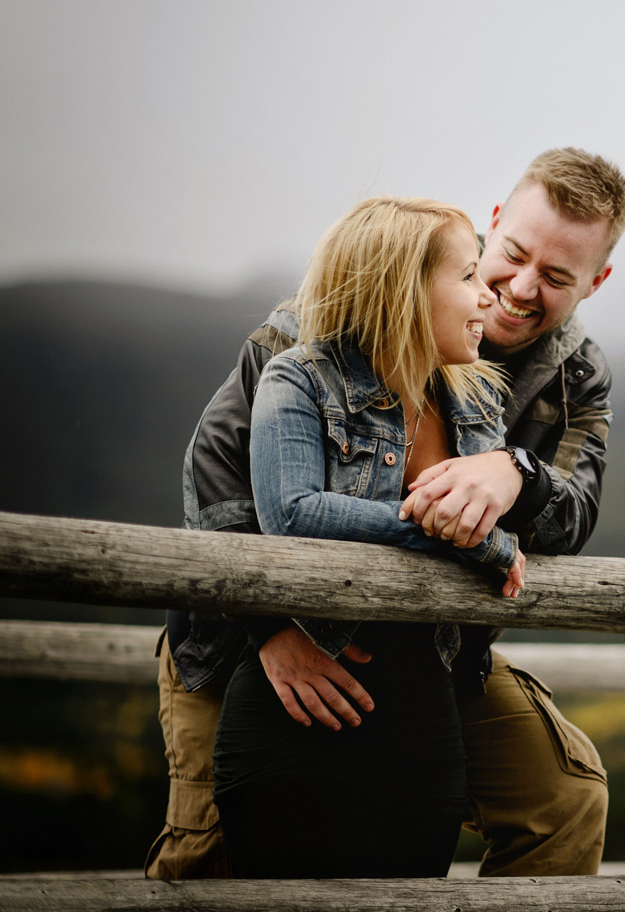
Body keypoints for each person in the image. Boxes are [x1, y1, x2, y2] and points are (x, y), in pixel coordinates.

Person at [146, 148, 625, 879]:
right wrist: (273, 625)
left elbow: (574, 512)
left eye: (558, 276)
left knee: (562, 797)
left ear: (597, 280)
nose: (519, 288)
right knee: (209, 853)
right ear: (493, 224)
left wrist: (514, 473)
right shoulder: (319, 322)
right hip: (244, 639)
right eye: (511, 255)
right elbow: (214, 476)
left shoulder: (576, 375)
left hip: (428, 650)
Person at [214, 195, 524, 877]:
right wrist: (455, 533)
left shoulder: (477, 400)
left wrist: (487, 522)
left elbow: (496, 527)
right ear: (405, 288)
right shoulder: (298, 377)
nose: (488, 293)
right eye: (469, 275)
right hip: (294, 717)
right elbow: (291, 515)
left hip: (422, 725)